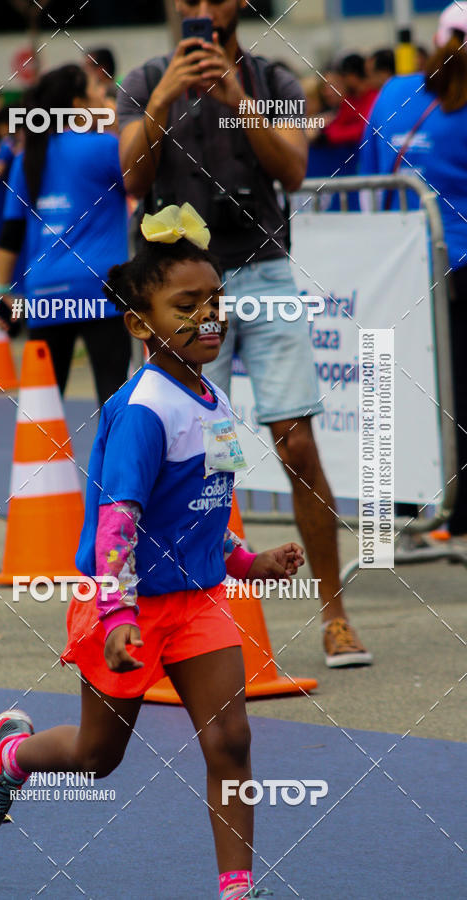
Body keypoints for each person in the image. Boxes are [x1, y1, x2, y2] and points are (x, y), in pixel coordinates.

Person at [0, 203, 305, 900]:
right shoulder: (145, 410)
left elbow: (199, 510)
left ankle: (237, 889)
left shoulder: (211, 396)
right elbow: (119, 525)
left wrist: (246, 560)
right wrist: (117, 618)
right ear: (139, 324)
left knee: (231, 740)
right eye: (188, 305)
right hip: (128, 605)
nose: (211, 316)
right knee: (96, 756)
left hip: (200, 604)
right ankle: (10, 754)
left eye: (218, 301)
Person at [117, 0, 372, 667]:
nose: (200, 10)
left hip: (263, 277)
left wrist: (235, 98)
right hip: (178, 292)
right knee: (197, 457)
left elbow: (293, 170)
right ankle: (175, 620)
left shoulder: (272, 80)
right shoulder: (147, 80)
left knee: (298, 448)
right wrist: (168, 95)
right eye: (187, 0)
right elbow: (130, 177)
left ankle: (335, 617)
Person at [359, 1, 467, 546]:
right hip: (457, 265)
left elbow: (366, 173)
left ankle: (396, 519)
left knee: (395, 388)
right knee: (458, 388)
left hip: (392, 260)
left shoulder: (395, 91)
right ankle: (455, 515)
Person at [0, 64, 130, 404]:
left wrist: (2, 292)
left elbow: (11, 231)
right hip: (101, 287)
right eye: (98, 90)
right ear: (78, 103)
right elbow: (142, 186)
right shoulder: (105, 147)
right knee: (113, 401)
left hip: (45, 290)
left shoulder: (27, 157)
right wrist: (118, 125)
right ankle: (109, 461)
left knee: (42, 408)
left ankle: (39, 460)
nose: (107, 95)